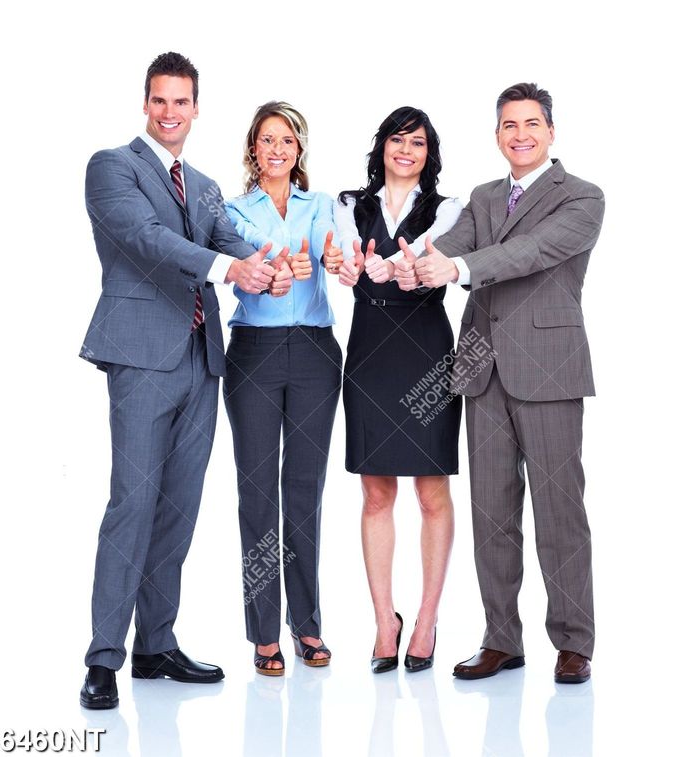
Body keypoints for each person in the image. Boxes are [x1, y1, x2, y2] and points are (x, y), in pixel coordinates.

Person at [78, 52, 281, 710]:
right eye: (160, 100)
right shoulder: (113, 167)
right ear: (146, 104)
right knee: (132, 505)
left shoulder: (205, 184)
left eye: (181, 102)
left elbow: (232, 240)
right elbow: (145, 239)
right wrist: (230, 270)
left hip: (201, 358)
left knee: (178, 509)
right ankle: (103, 658)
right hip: (142, 356)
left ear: (196, 109)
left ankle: (155, 644)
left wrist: (274, 265)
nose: (170, 112)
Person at [403, 83, 605, 684]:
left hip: (549, 365)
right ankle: (501, 639)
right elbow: (448, 246)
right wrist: (405, 262)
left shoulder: (582, 197)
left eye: (531, 124)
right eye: (509, 125)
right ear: (497, 135)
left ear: (551, 132)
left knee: (559, 509)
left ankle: (574, 641)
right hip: (480, 366)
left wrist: (456, 268)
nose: (520, 134)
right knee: (491, 511)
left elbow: (531, 251)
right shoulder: (485, 197)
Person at [335, 106, 463, 673]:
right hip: (370, 350)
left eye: (418, 142)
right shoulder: (349, 205)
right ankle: (385, 621)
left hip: (426, 350)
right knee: (376, 494)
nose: (406, 150)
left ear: (429, 154)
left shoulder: (450, 208)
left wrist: (401, 268)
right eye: (397, 139)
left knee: (431, 493)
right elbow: (347, 256)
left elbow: (434, 255)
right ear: (382, 145)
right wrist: (348, 266)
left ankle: (427, 620)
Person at [223, 101, 344, 676]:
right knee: (256, 491)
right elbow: (245, 255)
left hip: (316, 353)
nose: (277, 149)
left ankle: (307, 623)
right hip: (254, 353)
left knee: (304, 489)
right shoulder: (231, 209)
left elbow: (324, 243)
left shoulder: (320, 205)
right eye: (268, 139)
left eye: (287, 140)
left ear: (299, 151)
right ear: (254, 148)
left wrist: (326, 255)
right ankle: (264, 631)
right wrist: (271, 271)